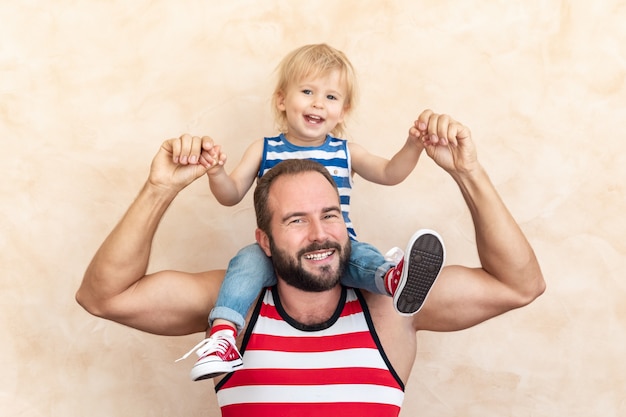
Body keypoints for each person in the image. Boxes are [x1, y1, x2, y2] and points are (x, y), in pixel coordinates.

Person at [76, 109, 545, 417]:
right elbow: (104, 296)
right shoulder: (234, 303)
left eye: (330, 215)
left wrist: (468, 172)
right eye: (296, 220)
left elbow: (518, 285)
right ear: (264, 240)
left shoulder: (391, 308)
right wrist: (160, 189)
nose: (320, 233)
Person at [174, 43, 445, 381]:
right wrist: (215, 172)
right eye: (307, 91)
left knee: (360, 257)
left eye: (331, 97)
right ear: (282, 100)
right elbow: (230, 195)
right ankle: (223, 337)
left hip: (335, 253)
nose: (319, 103)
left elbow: (390, 173)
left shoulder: (346, 152)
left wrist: (414, 145)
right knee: (244, 263)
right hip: (278, 254)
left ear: (342, 111)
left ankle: (392, 279)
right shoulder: (264, 148)